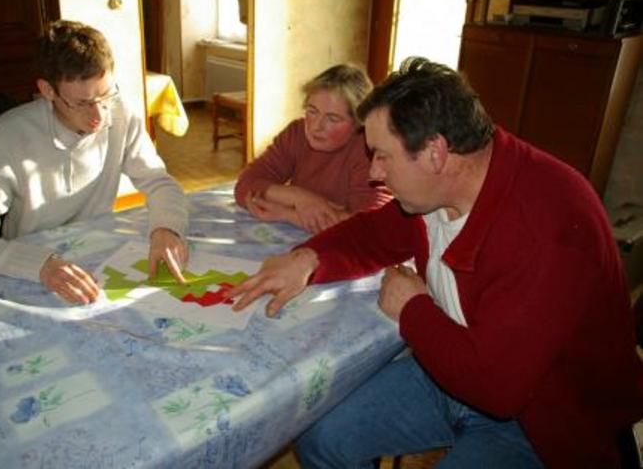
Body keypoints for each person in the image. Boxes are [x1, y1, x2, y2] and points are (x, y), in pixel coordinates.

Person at [228, 57, 643, 467]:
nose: (374, 173)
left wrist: (412, 309)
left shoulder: (545, 227)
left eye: (383, 156)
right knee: (322, 438)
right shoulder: (445, 185)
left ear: (435, 152)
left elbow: (497, 388)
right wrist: (309, 257)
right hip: (453, 372)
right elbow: (376, 232)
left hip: (546, 418)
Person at [0, 20, 189, 304]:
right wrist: (41, 265)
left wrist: (166, 228)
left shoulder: (121, 112)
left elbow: (159, 182)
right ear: (47, 90)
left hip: (97, 252)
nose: (99, 115)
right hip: (32, 264)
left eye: (106, 94)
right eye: (82, 103)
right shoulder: (10, 134)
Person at [233, 64, 391, 234]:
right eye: (312, 111)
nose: (316, 126)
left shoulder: (370, 150)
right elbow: (245, 186)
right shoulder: (297, 133)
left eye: (333, 118)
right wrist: (298, 197)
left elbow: (371, 227)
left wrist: (289, 214)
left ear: (358, 123)